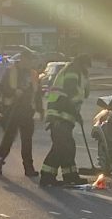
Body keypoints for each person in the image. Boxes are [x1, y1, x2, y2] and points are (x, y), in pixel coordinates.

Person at [39, 53, 91, 187]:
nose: (87, 69)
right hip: (59, 115)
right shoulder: (72, 72)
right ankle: (47, 176)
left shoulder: (75, 72)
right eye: (86, 66)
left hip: (64, 116)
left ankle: (70, 175)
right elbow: (69, 94)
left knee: (68, 147)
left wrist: (75, 114)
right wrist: (75, 113)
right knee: (61, 147)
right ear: (81, 64)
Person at [0, 51, 42, 177]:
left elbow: (37, 93)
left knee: (27, 141)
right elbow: (2, 87)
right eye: (28, 60)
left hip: (27, 111)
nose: (30, 63)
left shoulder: (33, 74)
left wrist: (40, 109)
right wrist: (13, 92)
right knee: (9, 138)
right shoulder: (11, 71)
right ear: (22, 59)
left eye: (31, 61)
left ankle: (29, 168)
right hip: (13, 109)